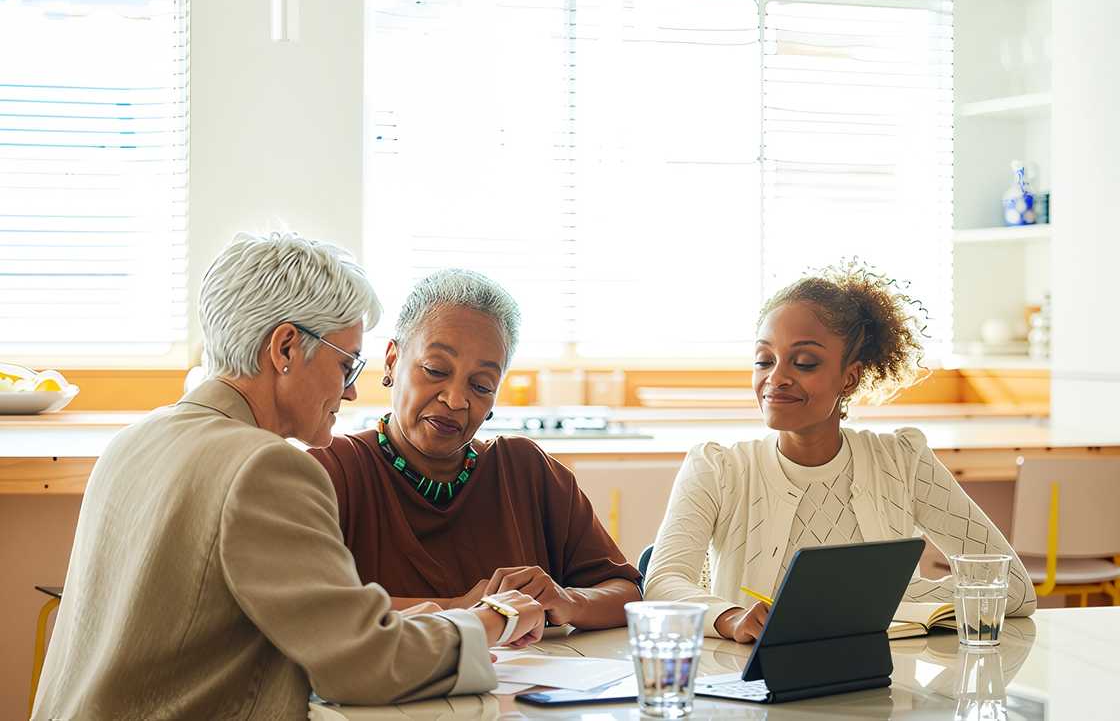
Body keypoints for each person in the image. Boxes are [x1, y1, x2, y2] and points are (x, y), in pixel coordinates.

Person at [32, 233, 545, 721]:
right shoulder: (264, 467)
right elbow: (363, 665)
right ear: (283, 349)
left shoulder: (137, 438)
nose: (349, 392)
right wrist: (490, 619)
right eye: (347, 365)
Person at [644, 261, 1037, 644]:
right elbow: (662, 583)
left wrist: (884, 602)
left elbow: (1014, 588)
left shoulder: (903, 460)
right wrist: (729, 619)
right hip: (747, 689)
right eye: (764, 360)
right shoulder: (717, 468)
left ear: (849, 378)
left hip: (879, 685)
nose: (775, 378)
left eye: (804, 362)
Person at [310, 268, 641, 630]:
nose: (455, 400)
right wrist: (460, 609)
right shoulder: (331, 470)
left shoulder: (526, 470)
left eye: (481, 386)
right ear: (391, 360)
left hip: (527, 685)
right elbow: (311, 607)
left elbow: (627, 593)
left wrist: (567, 600)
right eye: (435, 370)